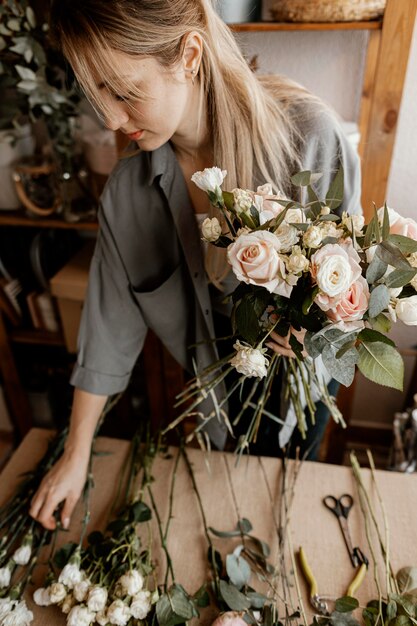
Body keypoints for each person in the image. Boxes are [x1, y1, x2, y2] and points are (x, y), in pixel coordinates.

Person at [30, 0, 362, 531]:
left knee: (295, 524)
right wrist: (75, 453)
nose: (111, 119)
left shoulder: (310, 142)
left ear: (189, 54)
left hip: (305, 396)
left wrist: (315, 331)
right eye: (96, 95)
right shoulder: (126, 197)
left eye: (122, 91)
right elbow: (107, 329)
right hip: (214, 404)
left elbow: (354, 302)